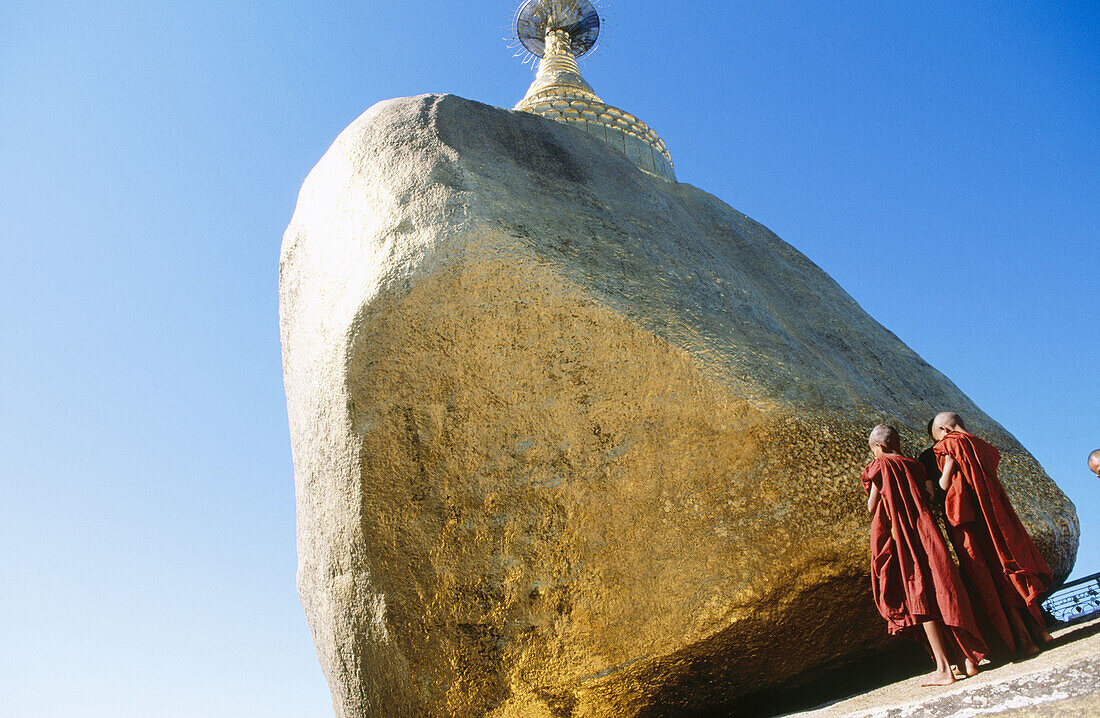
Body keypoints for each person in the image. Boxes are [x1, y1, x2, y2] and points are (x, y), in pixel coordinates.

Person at [861, 424, 987, 685]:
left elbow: (873, 506)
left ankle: (944, 669)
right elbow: (929, 494)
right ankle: (966, 659)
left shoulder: (879, 466)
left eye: (874, 450)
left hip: (904, 536)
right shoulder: (916, 466)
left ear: (879, 447)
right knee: (943, 588)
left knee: (919, 595)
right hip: (928, 531)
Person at [932, 412, 1054, 658]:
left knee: (994, 577)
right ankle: (1040, 631)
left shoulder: (950, 444)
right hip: (998, 515)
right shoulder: (982, 444)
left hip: (975, 520)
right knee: (1012, 567)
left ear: (944, 430)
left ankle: (1022, 638)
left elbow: (945, 483)